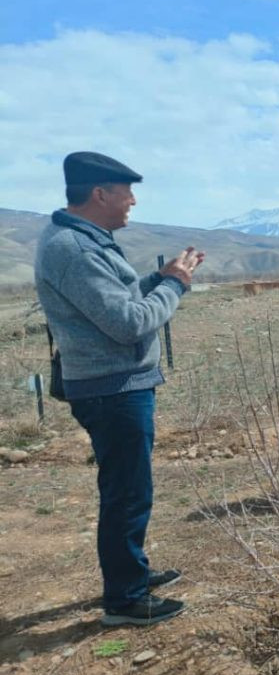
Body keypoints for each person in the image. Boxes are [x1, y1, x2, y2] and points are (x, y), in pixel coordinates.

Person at [34, 152, 204, 626]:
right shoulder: (74, 249)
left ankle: (131, 574)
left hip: (115, 383)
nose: (133, 200)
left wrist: (160, 277)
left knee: (129, 487)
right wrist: (175, 287)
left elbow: (119, 299)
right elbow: (129, 322)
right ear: (99, 194)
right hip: (111, 389)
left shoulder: (87, 241)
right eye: (126, 191)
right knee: (125, 491)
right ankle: (125, 599)